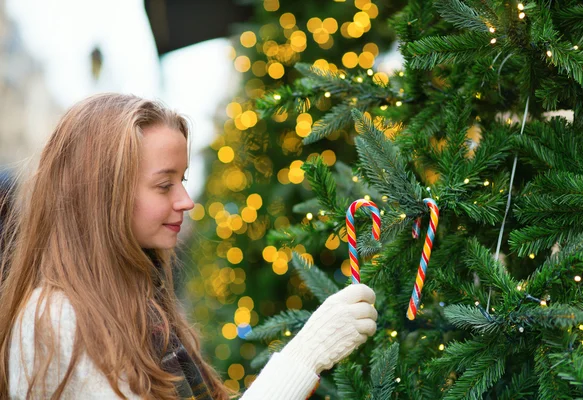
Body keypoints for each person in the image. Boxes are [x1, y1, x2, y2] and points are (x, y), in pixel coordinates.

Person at [0, 93, 378, 399]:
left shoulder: (140, 302)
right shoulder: (55, 320)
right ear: (104, 195)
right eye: (165, 185)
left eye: (182, 180)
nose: (185, 200)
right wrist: (305, 355)